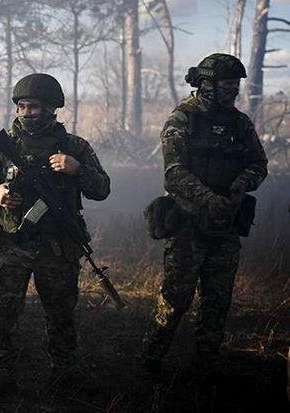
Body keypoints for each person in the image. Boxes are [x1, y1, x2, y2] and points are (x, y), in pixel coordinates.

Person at [0, 73, 110, 394]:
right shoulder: (1, 146)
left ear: (50, 108)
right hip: (12, 243)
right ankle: (0, 373)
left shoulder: (74, 147)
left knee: (60, 313)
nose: (26, 113)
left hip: (58, 247)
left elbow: (102, 189)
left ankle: (65, 371)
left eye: (33, 107)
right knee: (3, 311)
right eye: (21, 106)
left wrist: (77, 169)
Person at [142, 53, 268, 375]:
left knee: (217, 300)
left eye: (236, 84)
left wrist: (241, 184)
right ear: (207, 84)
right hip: (189, 224)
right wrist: (208, 198)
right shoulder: (182, 119)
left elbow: (258, 164)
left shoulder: (240, 123)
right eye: (227, 84)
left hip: (225, 226)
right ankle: (151, 359)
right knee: (175, 299)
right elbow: (174, 173)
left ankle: (206, 364)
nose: (233, 89)